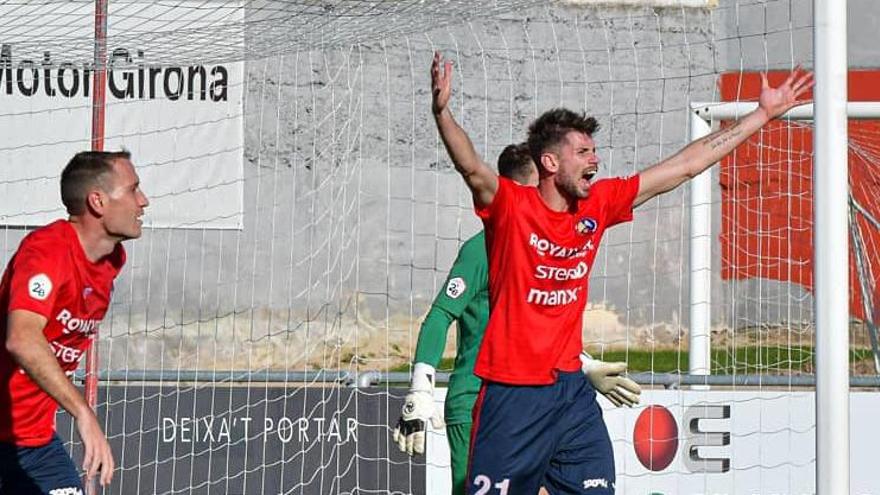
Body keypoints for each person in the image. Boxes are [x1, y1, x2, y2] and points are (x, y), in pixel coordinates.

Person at [430, 51, 813, 494]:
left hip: (570, 392)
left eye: (595, 150)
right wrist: (443, 113)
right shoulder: (514, 208)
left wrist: (762, 114)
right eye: (584, 152)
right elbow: (472, 168)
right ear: (551, 163)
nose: (595, 159)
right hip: (512, 396)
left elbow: (684, 167)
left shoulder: (596, 204)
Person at [392, 144, 641, 495]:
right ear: (523, 189)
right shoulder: (483, 248)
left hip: (538, 402)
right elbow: (439, 316)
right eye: (542, 182)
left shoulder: (541, 244)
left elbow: (535, 327)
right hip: (479, 399)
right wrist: (421, 386)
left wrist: (581, 366)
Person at [0, 151, 149, 494]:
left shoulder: (112, 260)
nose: (143, 201)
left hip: (34, 443)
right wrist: (83, 413)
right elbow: (22, 339)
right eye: (133, 190)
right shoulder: (47, 250)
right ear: (97, 201)